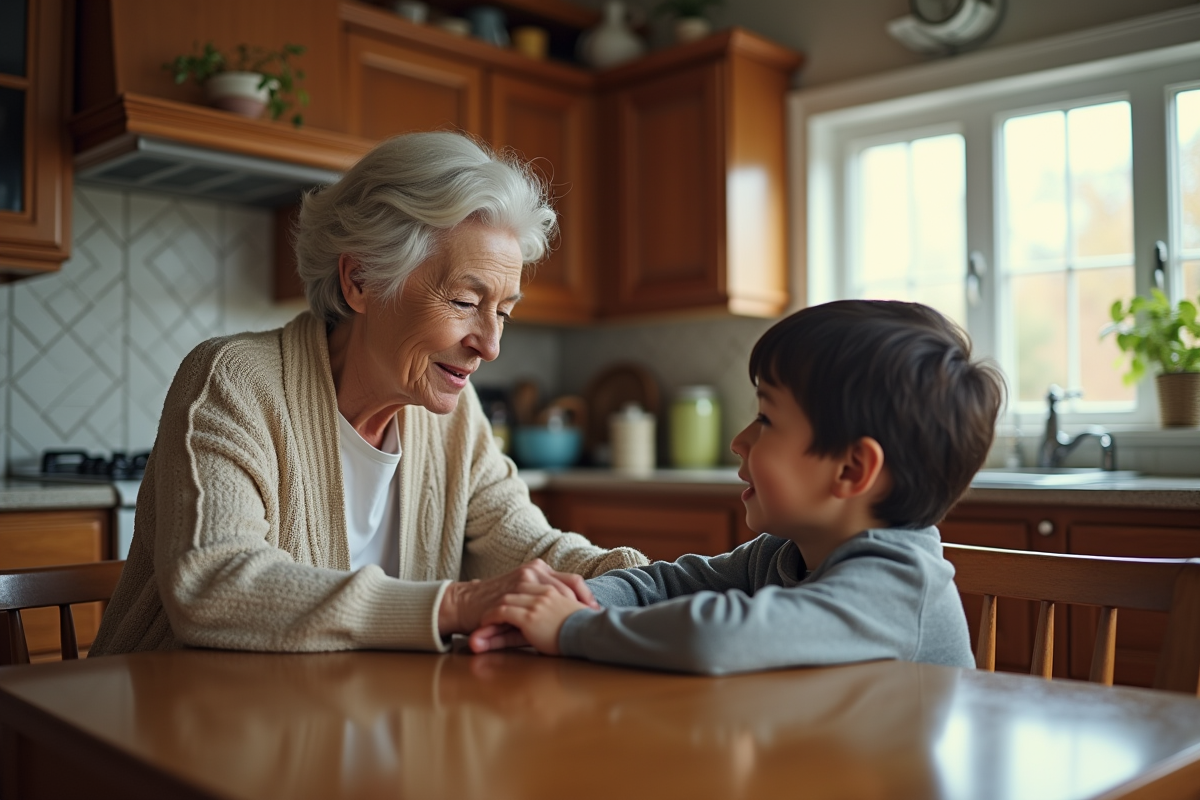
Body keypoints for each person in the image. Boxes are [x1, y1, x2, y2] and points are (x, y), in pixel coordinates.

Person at [90, 132, 646, 657]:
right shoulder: (235, 380)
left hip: (343, 724)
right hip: (178, 726)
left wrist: (658, 584)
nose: (491, 345)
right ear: (360, 280)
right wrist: (454, 604)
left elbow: (530, 546)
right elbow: (214, 585)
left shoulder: (452, 415)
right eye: (463, 302)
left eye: (503, 311)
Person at [468, 300, 1005, 674]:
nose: (740, 441)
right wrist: (566, 600)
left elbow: (716, 635)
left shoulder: (897, 587)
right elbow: (665, 587)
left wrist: (572, 628)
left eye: (766, 420)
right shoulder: (784, 555)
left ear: (851, 470)